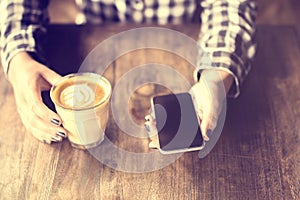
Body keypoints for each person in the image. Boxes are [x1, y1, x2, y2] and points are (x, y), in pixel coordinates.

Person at [0, 0, 257, 144]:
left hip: (190, 46)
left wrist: (215, 78)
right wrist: (19, 58)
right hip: (93, 39)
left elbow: (231, 7)